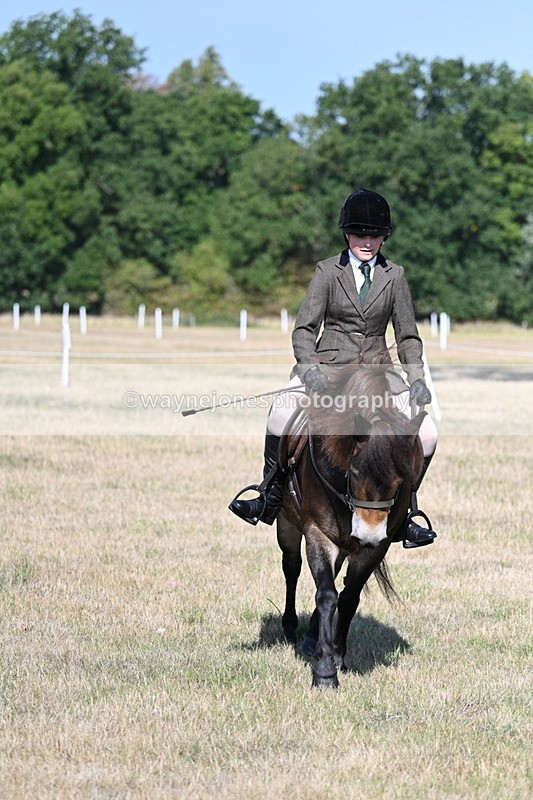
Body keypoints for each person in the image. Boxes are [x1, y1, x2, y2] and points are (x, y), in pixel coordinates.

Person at [229, 188, 438, 547]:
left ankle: (405, 513)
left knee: (429, 433)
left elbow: (408, 336)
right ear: (347, 234)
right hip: (327, 368)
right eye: (360, 235)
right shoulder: (327, 272)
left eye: (374, 236)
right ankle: (269, 492)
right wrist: (308, 369)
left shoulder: (395, 276)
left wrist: (416, 379)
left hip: (378, 374)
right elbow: (304, 329)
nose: (367, 242)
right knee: (280, 413)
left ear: (383, 237)